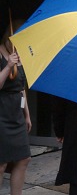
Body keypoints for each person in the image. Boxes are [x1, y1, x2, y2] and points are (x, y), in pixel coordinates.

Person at [0, 24, 31, 195]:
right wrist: (7, 66)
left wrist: (27, 115)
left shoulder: (20, 55)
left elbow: (21, 87)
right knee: (1, 163)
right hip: (2, 113)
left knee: (23, 158)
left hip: (16, 114)